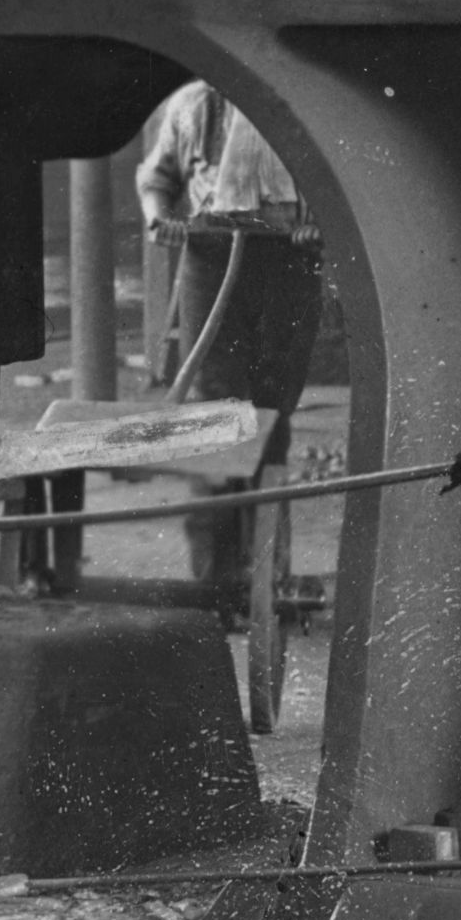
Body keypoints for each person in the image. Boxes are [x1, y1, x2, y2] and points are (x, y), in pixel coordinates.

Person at [137, 83, 323, 596]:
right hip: (211, 256)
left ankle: (267, 574)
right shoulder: (195, 104)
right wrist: (159, 218)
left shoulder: (306, 99)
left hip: (289, 260)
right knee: (216, 413)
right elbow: (158, 177)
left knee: (271, 413)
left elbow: (345, 191)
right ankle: (215, 579)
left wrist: (321, 228)